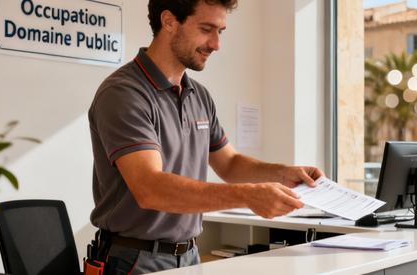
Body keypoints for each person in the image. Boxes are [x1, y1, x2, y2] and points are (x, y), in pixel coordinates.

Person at [87, 1, 323, 273]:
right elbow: (150, 188)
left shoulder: (198, 95)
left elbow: (230, 163)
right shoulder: (124, 93)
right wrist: (249, 196)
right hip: (134, 259)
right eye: (206, 29)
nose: (216, 44)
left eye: (220, 31)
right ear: (169, 21)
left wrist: (282, 173)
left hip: (189, 255)